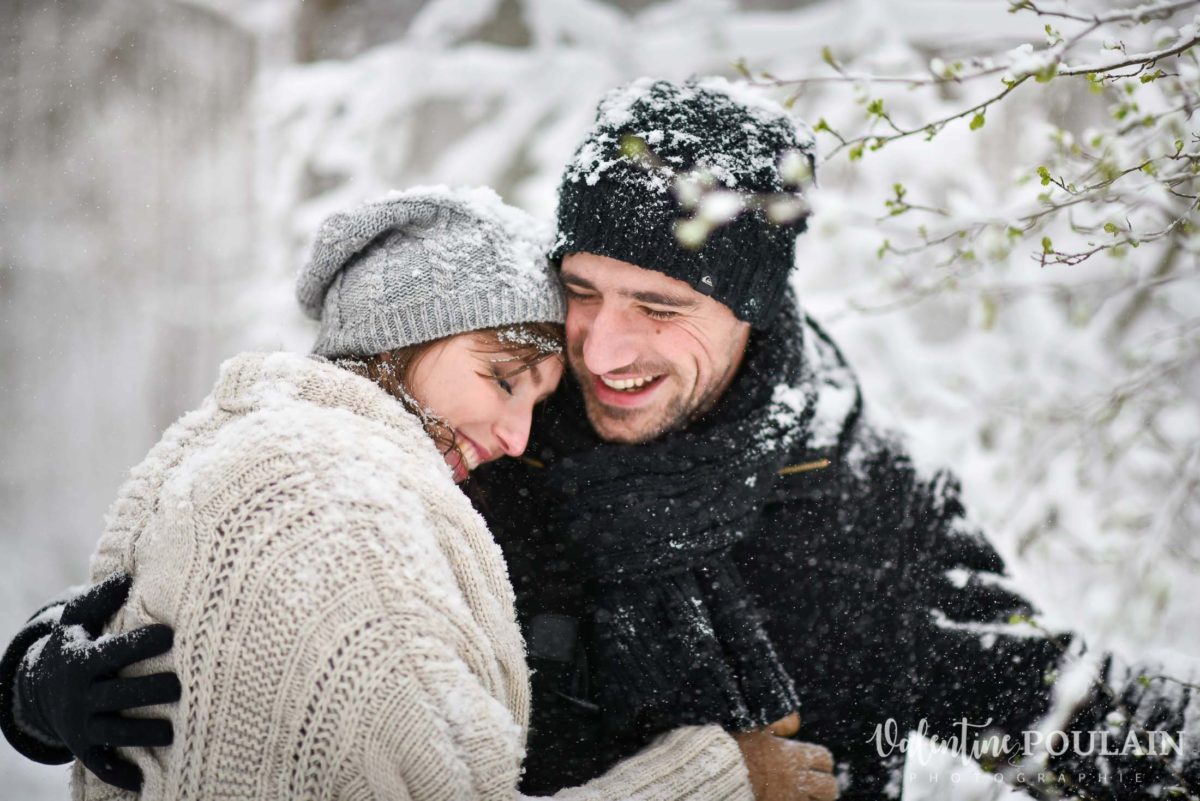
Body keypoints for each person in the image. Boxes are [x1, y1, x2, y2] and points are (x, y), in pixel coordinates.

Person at [7, 78, 1197, 800]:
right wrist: (37, 686)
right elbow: (239, 581)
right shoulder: (491, 449)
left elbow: (1056, 713)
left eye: (662, 308)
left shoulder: (863, 506)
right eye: (581, 292)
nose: (603, 348)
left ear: (753, 310)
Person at [0, 186, 809, 800]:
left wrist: (32, 687)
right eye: (502, 381)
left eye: (539, 402)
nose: (516, 435)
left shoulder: (271, 435)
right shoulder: (341, 499)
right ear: (399, 339)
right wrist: (716, 778)